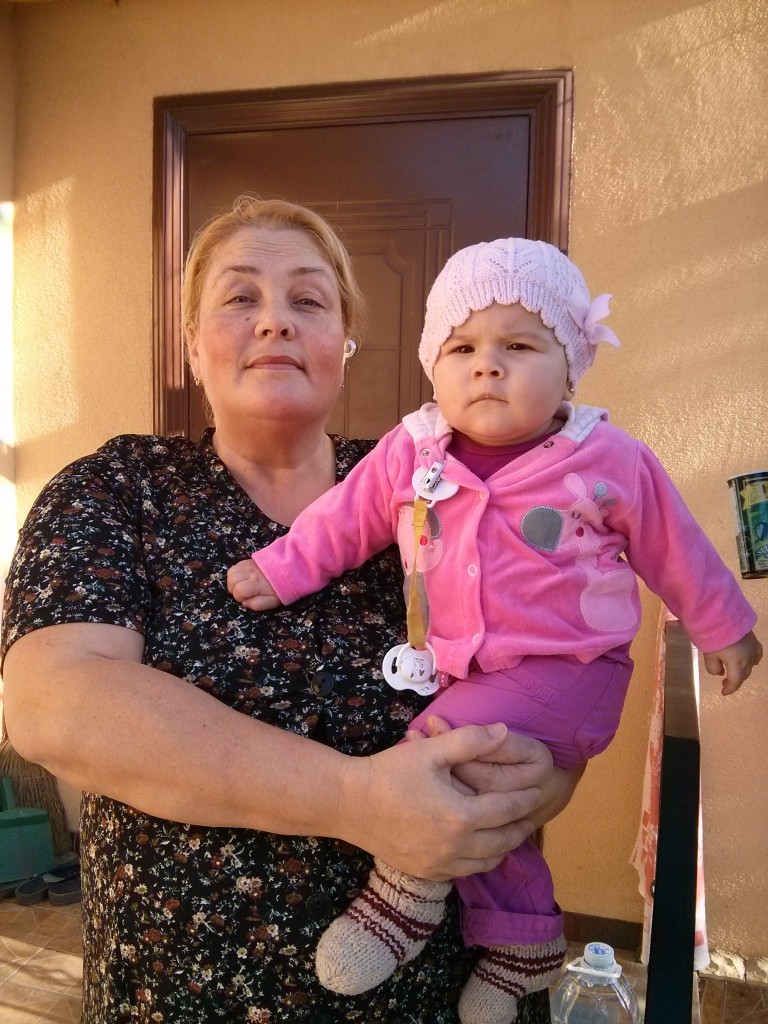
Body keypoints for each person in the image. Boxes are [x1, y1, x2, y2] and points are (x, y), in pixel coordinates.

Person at [0, 199, 581, 1024]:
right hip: (186, 995)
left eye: (308, 300)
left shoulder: (434, 485)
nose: (274, 320)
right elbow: (54, 704)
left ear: (343, 343)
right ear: (192, 345)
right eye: (240, 298)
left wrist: (540, 780)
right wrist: (357, 800)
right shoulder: (119, 488)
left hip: (441, 996)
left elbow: (553, 645)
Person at [227, 237, 763, 1024]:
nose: (487, 367)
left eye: (519, 346)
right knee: (491, 799)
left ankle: (402, 896)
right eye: (463, 348)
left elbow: (674, 547)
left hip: (571, 671)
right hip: (470, 672)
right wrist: (281, 568)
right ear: (433, 366)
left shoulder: (607, 457)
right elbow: (342, 521)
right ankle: (524, 943)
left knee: (441, 749)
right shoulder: (411, 451)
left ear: (570, 367)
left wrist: (724, 627)